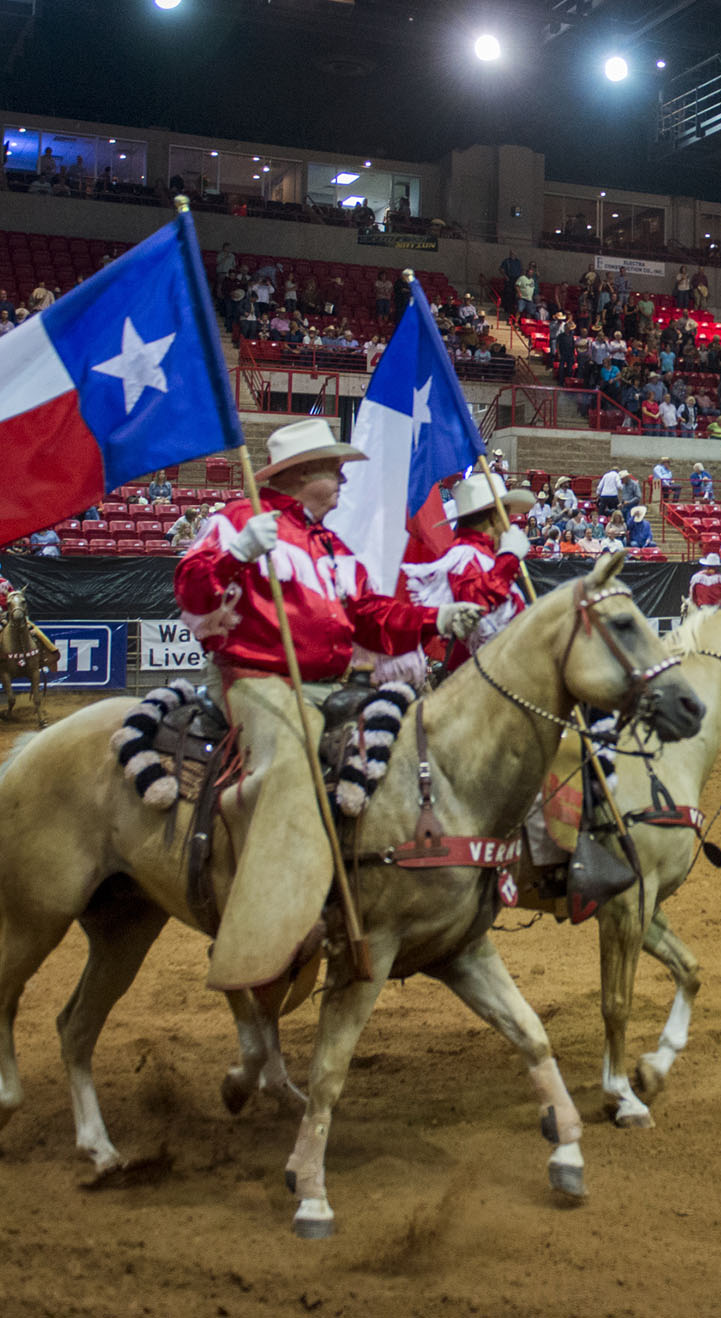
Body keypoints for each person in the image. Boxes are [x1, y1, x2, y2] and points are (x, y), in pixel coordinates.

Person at [173, 419, 479, 991]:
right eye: (332, 468)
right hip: (257, 679)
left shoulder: (331, 545)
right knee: (291, 761)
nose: (342, 478)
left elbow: (370, 613)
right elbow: (192, 587)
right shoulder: (238, 521)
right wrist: (236, 554)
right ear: (298, 475)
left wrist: (432, 618)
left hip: (329, 682)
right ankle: (267, 914)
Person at [400, 470, 536, 657]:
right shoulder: (464, 556)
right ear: (494, 517)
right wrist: (509, 560)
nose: (508, 524)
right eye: (506, 515)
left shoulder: (481, 556)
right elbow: (475, 606)